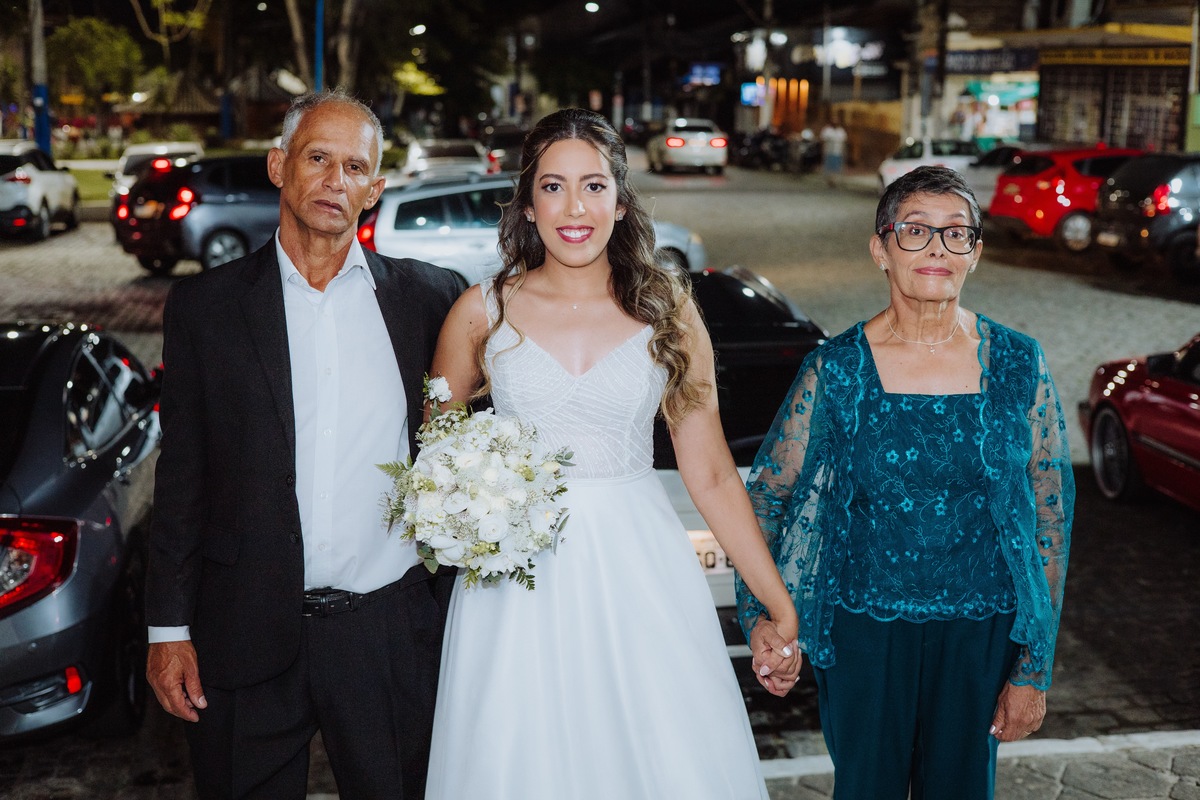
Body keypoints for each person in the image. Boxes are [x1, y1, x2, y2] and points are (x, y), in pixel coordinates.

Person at [422, 108, 800, 799]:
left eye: (594, 187)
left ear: (621, 204)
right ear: (528, 204)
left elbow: (711, 472)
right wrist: (468, 510)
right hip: (516, 582)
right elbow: (433, 460)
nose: (575, 207)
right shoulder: (480, 313)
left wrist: (777, 601)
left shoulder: (670, 312)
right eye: (554, 186)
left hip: (639, 566)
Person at [144, 89, 463, 799]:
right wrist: (167, 627)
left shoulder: (430, 300)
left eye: (355, 167)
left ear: (375, 190)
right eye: (318, 158)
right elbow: (183, 476)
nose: (335, 181)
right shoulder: (206, 308)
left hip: (388, 632)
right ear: (278, 165)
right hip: (243, 627)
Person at [739, 165, 1074, 799]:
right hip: (864, 630)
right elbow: (768, 499)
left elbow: (1050, 519)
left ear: (975, 252)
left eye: (956, 234)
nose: (937, 250)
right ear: (881, 248)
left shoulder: (1017, 362)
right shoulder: (836, 370)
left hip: (984, 630)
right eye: (915, 231)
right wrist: (763, 614)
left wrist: (1033, 668)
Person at [820, 115, 847, 186]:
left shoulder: (841, 131)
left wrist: (843, 152)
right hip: (829, 151)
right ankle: (828, 180)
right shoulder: (827, 130)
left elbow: (843, 142)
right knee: (828, 166)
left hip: (837, 152)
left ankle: (834, 181)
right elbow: (823, 140)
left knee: (836, 167)